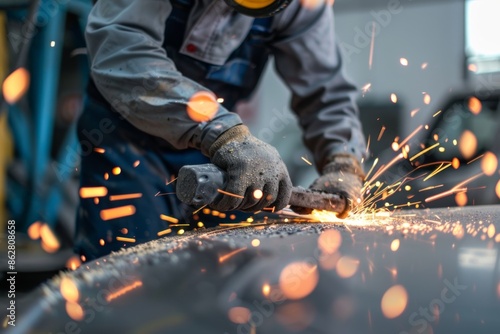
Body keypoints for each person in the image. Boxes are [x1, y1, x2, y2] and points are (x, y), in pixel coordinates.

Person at [75, 0, 366, 260]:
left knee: (230, 267)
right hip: (127, 141)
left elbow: (325, 90)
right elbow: (123, 50)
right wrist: (224, 133)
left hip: (217, 155)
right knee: (126, 271)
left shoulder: (302, 5)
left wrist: (343, 160)